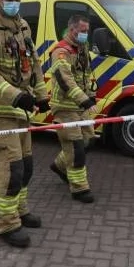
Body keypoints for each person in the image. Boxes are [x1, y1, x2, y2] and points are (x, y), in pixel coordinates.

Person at [0, 0, 50, 248]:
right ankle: (6, 224)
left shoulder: (23, 27)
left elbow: (35, 63)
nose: (14, 3)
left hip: (22, 113)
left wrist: (41, 95)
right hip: (0, 112)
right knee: (12, 167)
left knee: (27, 166)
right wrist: (15, 95)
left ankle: (20, 209)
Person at [46, 14, 98, 203]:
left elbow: (86, 73)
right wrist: (85, 100)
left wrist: (91, 95)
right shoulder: (61, 51)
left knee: (88, 140)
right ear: (72, 30)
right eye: (82, 31)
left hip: (80, 105)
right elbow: (64, 78)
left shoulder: (82, 48)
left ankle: (60, 166)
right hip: (65, 107)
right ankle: (79, 188)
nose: (85, 34)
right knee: (75, 147)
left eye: (87, 31)